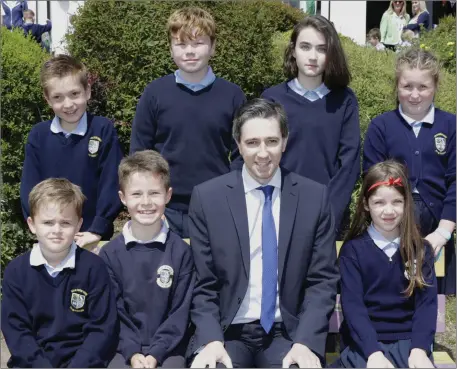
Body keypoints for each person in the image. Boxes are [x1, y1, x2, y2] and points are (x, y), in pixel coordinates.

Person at [187, 98, 339, 368]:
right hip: (227, 332)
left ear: (285, 141)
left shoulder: (314, 197)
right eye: (252, 142)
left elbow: (322, 281)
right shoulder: (208, 198)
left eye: (271, 141)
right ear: (238, 144)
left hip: (288, 333)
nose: (263, 153)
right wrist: (211, 340)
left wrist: (305, 343)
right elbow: (203, 283)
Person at [129, 7, 246, 239]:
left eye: (198, 43)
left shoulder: (232, 96)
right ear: (171, 49)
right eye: (181, 44)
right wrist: (150, 201)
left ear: (212, 47)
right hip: (164, 209)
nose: (189, 52)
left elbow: (243, 154)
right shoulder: (155, 93)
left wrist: (226, 195)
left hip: (215, 207)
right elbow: (139, 154)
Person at [363, 48, 455, 295]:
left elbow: (455, 182)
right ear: (397, 86)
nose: (415, 95)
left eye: (423, 87)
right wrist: (392, 226)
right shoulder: (381, 126)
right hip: (391, 225)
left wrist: (442, 233)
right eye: (407, 86)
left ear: (435, 86)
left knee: (432, 306)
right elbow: (373, 181)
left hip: (437, 229)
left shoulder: (451, 125)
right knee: (391, 295)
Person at [1, 178, 119, 368]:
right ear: (31, 224)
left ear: (79, 225)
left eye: (65, 223)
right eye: (48, 222)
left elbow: (102, 329)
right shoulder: (16, 272)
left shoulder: (94, 268)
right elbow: (17, 332)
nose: (56, 230)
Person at [261, 15, 360, 239]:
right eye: (305, 47)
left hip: (328, 216)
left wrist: (329, 215)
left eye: (322, 49)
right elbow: (261, 157)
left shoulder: (344, 101)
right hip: (278, 211)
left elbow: (350, 163)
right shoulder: (272, 99)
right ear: (293, 51)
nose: (313, 57)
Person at [332, 160, 437, 368]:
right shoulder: (352, 252)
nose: (388, 211)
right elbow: (353, 308)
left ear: (406, 202)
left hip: (410, 344)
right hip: (364, 345)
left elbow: (426, 306)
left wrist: (419, 350)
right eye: (379, 202)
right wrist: (373, 353)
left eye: (397, 202)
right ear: (366, 204)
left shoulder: (421, 250)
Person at [99, 150, 195, 368]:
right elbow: (114, 312)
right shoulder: (109, 255)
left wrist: (156, 353)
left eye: (154, 193)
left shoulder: (181, 252)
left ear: (168, 195)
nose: (146, 202)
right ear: (123, 198)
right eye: (136, 194)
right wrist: (132, 352)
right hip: (122, 348)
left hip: (170, 348)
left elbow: (180, 313)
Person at [20, 55, 123, 248]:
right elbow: (29, 188)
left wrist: (98, 228)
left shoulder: (102, 129)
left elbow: (112, 181)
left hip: (92, 237)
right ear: (47, 99)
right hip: (52, 238)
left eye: (74, 94)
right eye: (58, 97)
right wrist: (43, 227)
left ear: (88, 91)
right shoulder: (39, 136)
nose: (68, 104)